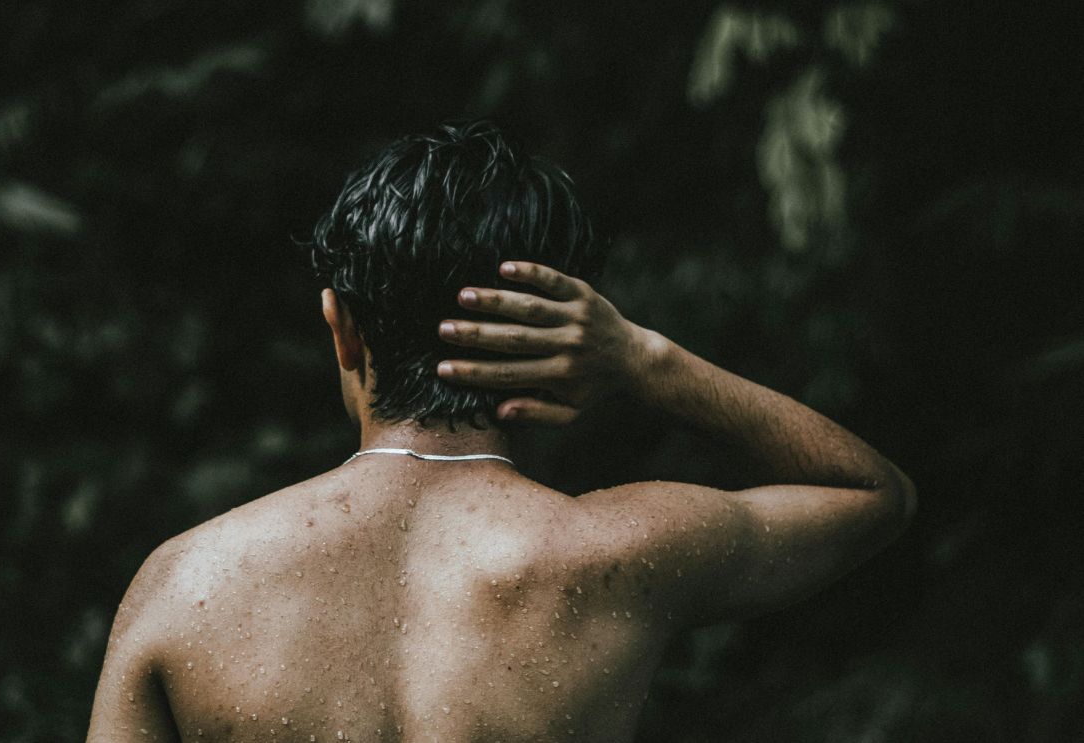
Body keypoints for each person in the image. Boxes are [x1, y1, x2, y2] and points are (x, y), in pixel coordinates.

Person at [87, 121, 915, 742]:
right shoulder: (619, 556)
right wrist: (645, 360)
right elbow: (873, 493)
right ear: (556, 334)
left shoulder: (186, 584)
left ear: (342, 329)